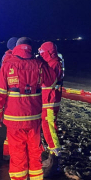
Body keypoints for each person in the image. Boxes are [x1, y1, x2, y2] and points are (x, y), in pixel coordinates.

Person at [0, 37, 56, 180]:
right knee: (35, 152)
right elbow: (52, 80)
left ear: (17, 47)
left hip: (14, 119)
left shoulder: (8, 64)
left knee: (18, 154)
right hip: (34, 118)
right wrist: (45, 60)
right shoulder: (39, 64)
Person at [38, 41, 65, 172]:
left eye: (42, 52)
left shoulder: (53, 64)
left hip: (50, 101)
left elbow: (49, 81)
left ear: (48, 52)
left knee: (49, 127)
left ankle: (54, 159)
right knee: (47, 126)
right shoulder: (55, 62)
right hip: (48, 100)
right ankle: (51, 154)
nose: (41, 55)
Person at [0, 37, 20, 159]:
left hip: (8, 98)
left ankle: (7, 153)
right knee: (15, 130)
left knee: (10, 130)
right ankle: (14, 154)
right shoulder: (12, 60)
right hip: (15, 99)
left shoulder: (5, 58)